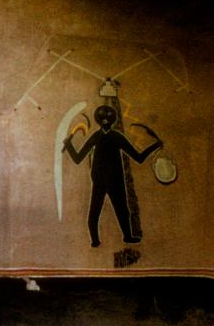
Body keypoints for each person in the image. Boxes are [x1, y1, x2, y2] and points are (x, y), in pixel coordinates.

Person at [64, 105, 162, 247]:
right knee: (96, 211)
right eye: (103, 117)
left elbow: (138, 158)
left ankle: (127, 236)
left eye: (107, 117)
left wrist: (155, 146)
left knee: (122, 210)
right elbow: (78, 158)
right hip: (101, 180)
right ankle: (95, 240)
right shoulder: (102, 137)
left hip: (115, 180)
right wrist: (69, 146)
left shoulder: (115, 137)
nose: (105, 120)